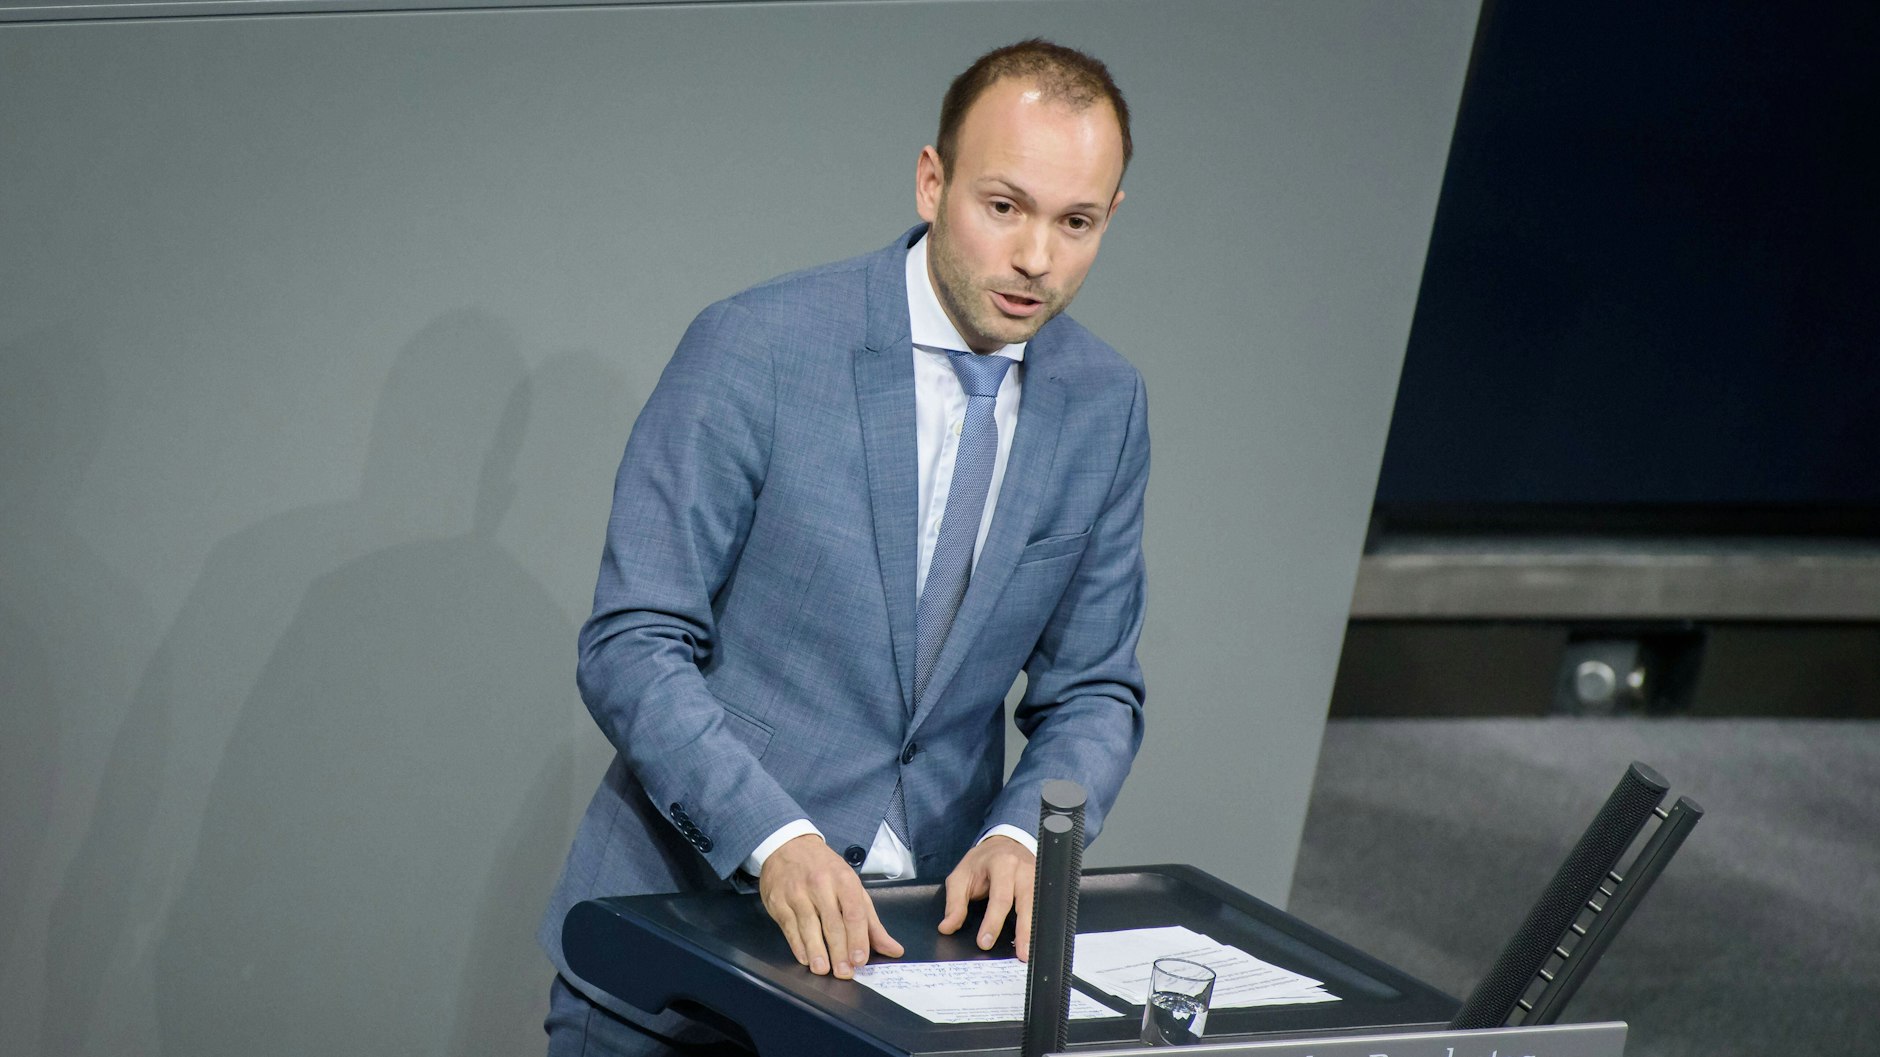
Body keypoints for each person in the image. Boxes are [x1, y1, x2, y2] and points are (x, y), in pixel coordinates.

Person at [539, 38, 1149, 1056]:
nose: (1036, 258)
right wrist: (773, 840)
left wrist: (1022, 837)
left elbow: (1092, 687)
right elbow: (632, 642)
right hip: (681, 951)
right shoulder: (757, 347)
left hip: (912, 972)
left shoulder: (1105, 404)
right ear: (931, 180)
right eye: (1003, 207)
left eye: (1074, 222)